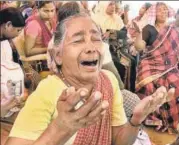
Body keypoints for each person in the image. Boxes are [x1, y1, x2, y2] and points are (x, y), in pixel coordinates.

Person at [5, 13, 175, 145]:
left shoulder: (108, 80)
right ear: (58, 55)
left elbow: (119, 141)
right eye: (78, 40)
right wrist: (60, 129)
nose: (91, 47)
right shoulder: (47, 91)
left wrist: (136, 120)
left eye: (96, 39)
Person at [135, 2, 179, 133]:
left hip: (170, 66)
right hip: (151, 64)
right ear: (154, 13)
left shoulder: (173, 29)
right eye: (160, 10)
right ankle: (152, 120)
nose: (163, 12)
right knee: (148, 84)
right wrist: (140, 31)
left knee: (175, 82)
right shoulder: (148, 28)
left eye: (165, 9)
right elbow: (139, 47)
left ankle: (172, 121)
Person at [23, 1, 56, 73]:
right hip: (40, 63)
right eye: (46, 11)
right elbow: (28, 51)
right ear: (38, 10)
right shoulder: (33, 25)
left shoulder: (51, 21)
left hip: (51, 57)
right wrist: (49, 48)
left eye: (52, 10)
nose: (50, 14)